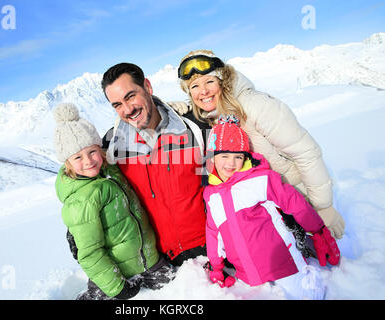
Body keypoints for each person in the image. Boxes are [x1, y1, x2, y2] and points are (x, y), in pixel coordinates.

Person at [174, 50, 345, 239]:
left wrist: (323, 206)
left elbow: (305, 153)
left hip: (301, 197)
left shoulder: (255, 105)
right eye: (194, 86)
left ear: (222, 81)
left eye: (209, 82)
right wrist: (173, 110)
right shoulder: (212, 118)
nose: (203, 91)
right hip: (272, 207)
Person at [204, 115, 340, 300]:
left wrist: (318, 230)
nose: (231, 163)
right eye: (224, 156)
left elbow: (296, 204)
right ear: (213, 157)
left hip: (283, 262)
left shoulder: (261, 180)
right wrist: (216, 267)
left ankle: (311, 277)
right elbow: (214, 233)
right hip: (249, 273)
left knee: (306, 296)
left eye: (238, 156)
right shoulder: (212, 195)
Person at [53, 103, 174, 300]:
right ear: (67, 164)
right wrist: (116, 287)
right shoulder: (82, 200)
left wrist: (166, 112)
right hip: (116, 272)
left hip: (148, 260)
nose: (88, 161)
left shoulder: (111, 171)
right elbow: (90, 253)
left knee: (179, 286)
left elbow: (127, 129)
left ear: (100, 150)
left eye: (92, 152)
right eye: (77, 157)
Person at [100, 63, 207, 266]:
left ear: (148, 87)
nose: (127, 109)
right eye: (117, 105)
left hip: (211, 253)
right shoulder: (112, 145)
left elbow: (232, 173)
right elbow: (88, 183)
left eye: (131, 96)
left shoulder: (193, 127)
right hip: (161, 265)